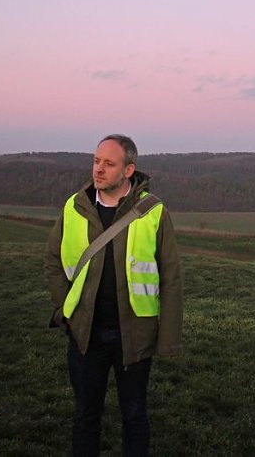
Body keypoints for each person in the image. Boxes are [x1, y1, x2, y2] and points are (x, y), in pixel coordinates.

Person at [45, 134, 183, 457]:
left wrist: (167, 339)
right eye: (96, 161)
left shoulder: (153, 212)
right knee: (85, 415)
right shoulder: (74, 207)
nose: (99, 170)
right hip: (85, 334)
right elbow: (52, 259)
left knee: (134, 415)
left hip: (133, 335)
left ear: (129, 170)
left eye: (109, 163)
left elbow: (171, 278)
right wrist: (66, 309)